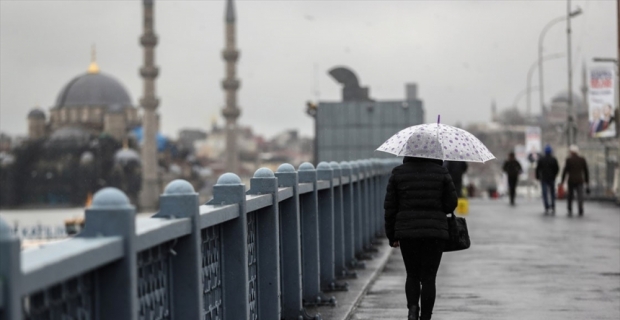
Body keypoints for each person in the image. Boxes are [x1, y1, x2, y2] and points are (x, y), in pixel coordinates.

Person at [384, 156, 458, 320]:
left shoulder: (398, 173)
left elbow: (390, 207)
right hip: (434, 232)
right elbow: (451, 203)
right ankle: (425, 317)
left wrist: (391, 235)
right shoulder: (441, 172)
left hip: (407, 232)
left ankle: (412, 310)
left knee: (412, 274)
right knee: (429, 278)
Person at [560, 144, 590, 216]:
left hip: (571, 180)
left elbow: (565, 171)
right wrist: (587, 181)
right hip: (580, 180)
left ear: (571, 152)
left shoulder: (569, 160)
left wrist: (562, 180)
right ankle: (580, 208)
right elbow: (586, 171)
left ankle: (570, 208)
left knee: (570, 195)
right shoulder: (582, 159)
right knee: (580, 195)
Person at [535, 145, 559, 215]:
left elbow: (538, 169)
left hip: (544, 178)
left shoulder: (541, 159)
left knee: (544, 193)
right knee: (552, 193)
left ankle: (546, 207)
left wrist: (538, 177)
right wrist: (554, 175)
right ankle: (553, 206)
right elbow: (557, 169)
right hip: (551, 178)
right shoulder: (553, 159)